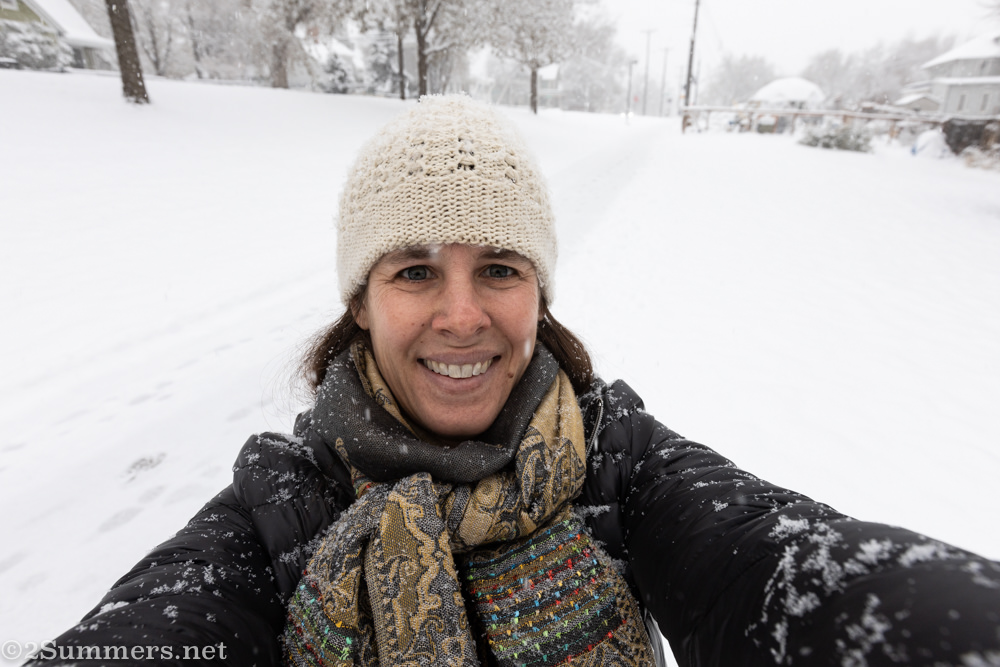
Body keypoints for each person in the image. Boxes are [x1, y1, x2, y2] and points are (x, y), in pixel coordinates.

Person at [29, 96, 1000, 667]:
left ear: (539, 292)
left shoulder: (621, 462)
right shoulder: (283, 502)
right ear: (360, 301)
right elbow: (157, 629)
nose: (461, 315)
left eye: (498, 267)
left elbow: (769, 562)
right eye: (414, 270)